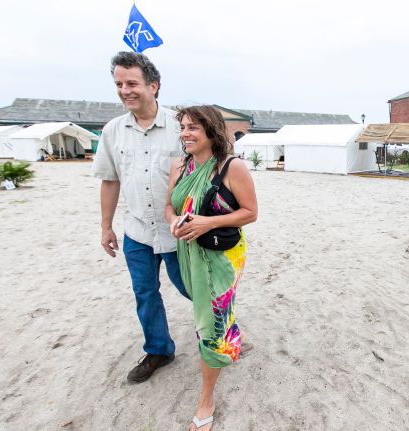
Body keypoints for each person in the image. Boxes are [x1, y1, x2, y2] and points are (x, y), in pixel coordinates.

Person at [92, 51, 190, 383]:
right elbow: (110, 180)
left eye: (132, 83)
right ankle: (159, 350)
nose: (125, 91)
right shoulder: (112, 131)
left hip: (178, 230)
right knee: (145, 293)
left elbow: (206, 173)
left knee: (193, 289)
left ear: (153, 85)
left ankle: (225, 331)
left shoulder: (182, 126)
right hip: (137, 230)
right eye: (119, 84)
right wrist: (106, 227)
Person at [165, 105, 257, 430]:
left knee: (211, 324)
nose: (185, 134)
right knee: (213, 311)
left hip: (223, 257)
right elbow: (169, 205)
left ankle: (206, 400)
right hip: (189, 251)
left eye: (193, 127)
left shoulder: (232, 167)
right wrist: (174, 221)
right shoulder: (180, 166)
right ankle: (234, 333)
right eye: (183, 127)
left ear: (211, 130)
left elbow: (250, 212)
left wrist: (207, 222)